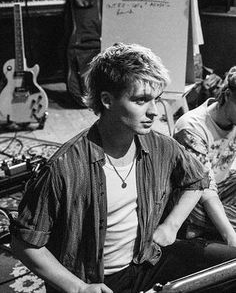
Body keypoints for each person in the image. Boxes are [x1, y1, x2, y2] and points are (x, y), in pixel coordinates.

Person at [9, 43, 236, 293]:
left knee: (230, 267)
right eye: (140, 100)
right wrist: (79, 288)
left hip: (148, 258)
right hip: (98, 279)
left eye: (156, 100)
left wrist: (171, 225)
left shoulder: (159, 145)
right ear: (106, 100)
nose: (154, 112)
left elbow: (198, 179)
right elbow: (24, 243)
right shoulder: (64, 167)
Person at [174, 66, 236, 242]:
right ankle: (204, 226)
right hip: (190, 196)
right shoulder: (192, 127)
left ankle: (203, 228)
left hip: (221, 186)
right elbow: (204, 188)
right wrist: (229, 235)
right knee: (192, 208)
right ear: (227, 95)